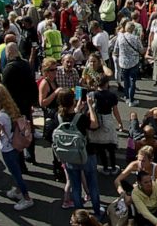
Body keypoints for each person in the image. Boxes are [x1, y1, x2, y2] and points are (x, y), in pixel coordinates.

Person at [56, 89, 102, 217]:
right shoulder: (80, 117)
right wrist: (91, 107)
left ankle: (80, 215)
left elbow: (71, 117)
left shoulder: (59, 116)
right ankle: (97, 212)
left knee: (75, 186)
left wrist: (77, 108)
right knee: (92, 184)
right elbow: (94, 125)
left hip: (69, 155)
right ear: (73, 101)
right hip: (86, 153)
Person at [0, 83, 35, 210]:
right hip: (16, 144)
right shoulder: (12, 109)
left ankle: (27, 198)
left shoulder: (0, 116)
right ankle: (18, 191)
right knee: (17, 169)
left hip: (7, 147)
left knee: (15, 174)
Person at [0, 42, 39, 165]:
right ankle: (31, 155)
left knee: (17, 132)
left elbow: (4, 91)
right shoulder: (26, 65)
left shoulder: (8, 69)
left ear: (9, 53)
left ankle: (21, 162)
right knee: (28, 128)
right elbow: (33, 84)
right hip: (26, 103)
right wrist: (34, 101)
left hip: (14, 105)